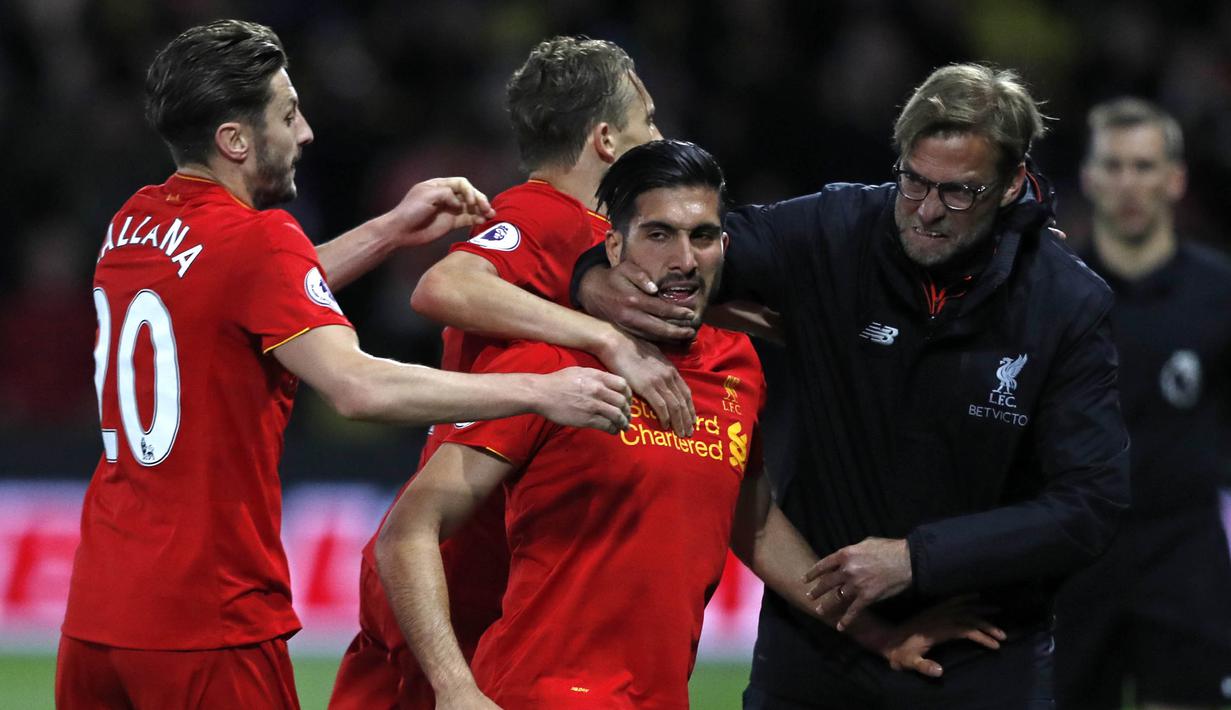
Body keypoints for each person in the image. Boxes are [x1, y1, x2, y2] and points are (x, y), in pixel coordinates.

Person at [56, 20, 632, 709]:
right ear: (234, 141)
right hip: (207, 615)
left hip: (96, 615)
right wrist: (539, 390)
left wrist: (389, 229)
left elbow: (246, 298)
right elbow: (356, 386)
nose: (305, 134)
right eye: (288, 114)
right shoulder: (261, 239)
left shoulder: (135, 223)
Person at [376, 139, 1008, 709]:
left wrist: (879, 634)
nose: (684, 259)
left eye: (703, 236)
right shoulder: (551, 363)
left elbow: (752, 522)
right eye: (659, 234)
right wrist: (457, 690)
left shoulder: (737, 364)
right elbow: (407, 531)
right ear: (615, 245)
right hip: (539, 694)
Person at [575, 64, 1132, 708]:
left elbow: (1090, 507)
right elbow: (683, 255)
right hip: (820, 645)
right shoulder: (835, 228)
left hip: (982, 652)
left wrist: (915, 558)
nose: (925, 210)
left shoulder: (1066, 303)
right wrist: (595, 279)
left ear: (1010, 186)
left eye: (958, 193)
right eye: (914, 181)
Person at [328, 36, 686, 708]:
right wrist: (604, 338)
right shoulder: (543, 213)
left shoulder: (602, 238)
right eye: (648, 124)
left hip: (495, 566)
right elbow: (443, 285)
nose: (661, 139)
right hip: (449, 569)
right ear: (606, 140)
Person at [1054, 97, 1231, 710]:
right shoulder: (1053, 292)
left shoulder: (1220, 293)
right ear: (1089, 177)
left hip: (1184, 557)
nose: (1129, 183)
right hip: (1074, 559)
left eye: (1145, 166)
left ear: (1175, 179)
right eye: (1115, 165)